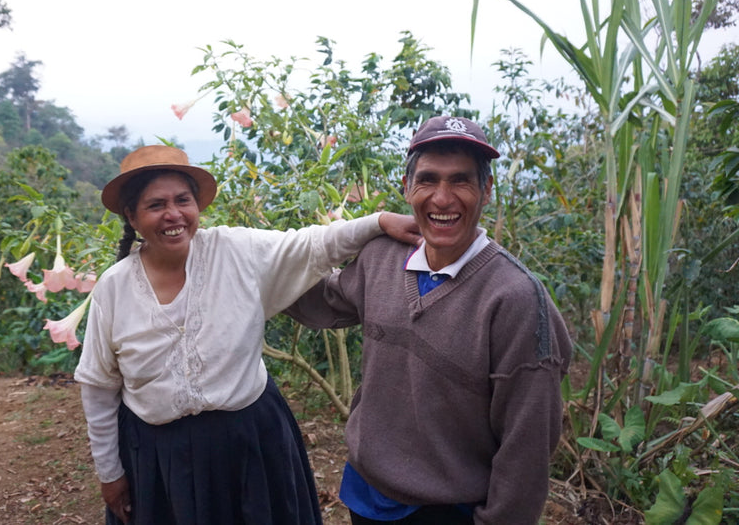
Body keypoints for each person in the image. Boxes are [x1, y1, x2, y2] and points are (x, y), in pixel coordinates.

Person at [73, 145, 420, 525]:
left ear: (197, 205)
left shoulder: (235, 251)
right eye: (156, 205)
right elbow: (99, 386)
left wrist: (379, 221)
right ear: (131, 216)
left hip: (250, 444)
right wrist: (110, 473)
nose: (173, 215)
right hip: (160, 460)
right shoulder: (114, 288)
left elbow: (313, 245)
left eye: (183, 200)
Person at [285, 116, 573, 525]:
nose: (442, 198)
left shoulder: (516, 299)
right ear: (407, 187)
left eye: (461, 181)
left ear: (486, 190)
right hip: (366, 493)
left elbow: (527, 446)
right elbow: (322, 300)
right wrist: (249, 274)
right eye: (428, 180)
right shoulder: (382, 258)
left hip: (447, 510)